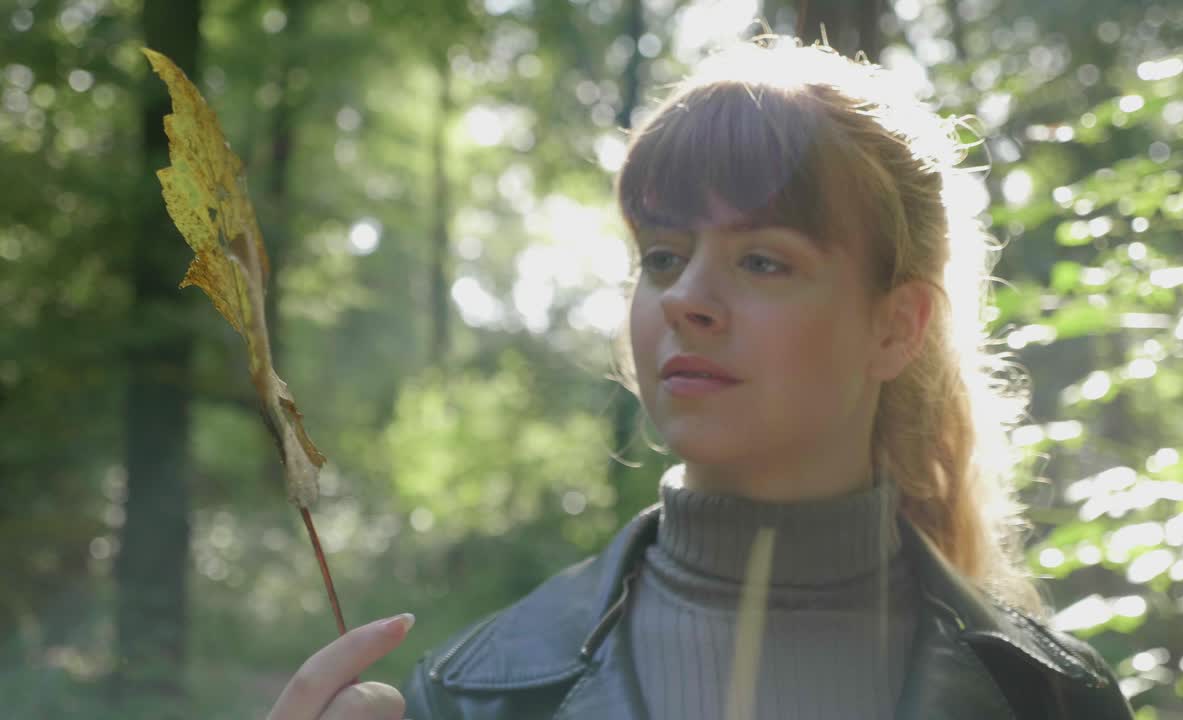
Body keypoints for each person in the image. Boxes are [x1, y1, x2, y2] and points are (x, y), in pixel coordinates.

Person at [267, 37, 1135, 720]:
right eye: (664, 256)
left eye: (761, 260)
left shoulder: (1051, 699)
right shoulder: (479, 693)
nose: (687, 299)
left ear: (895, 324)